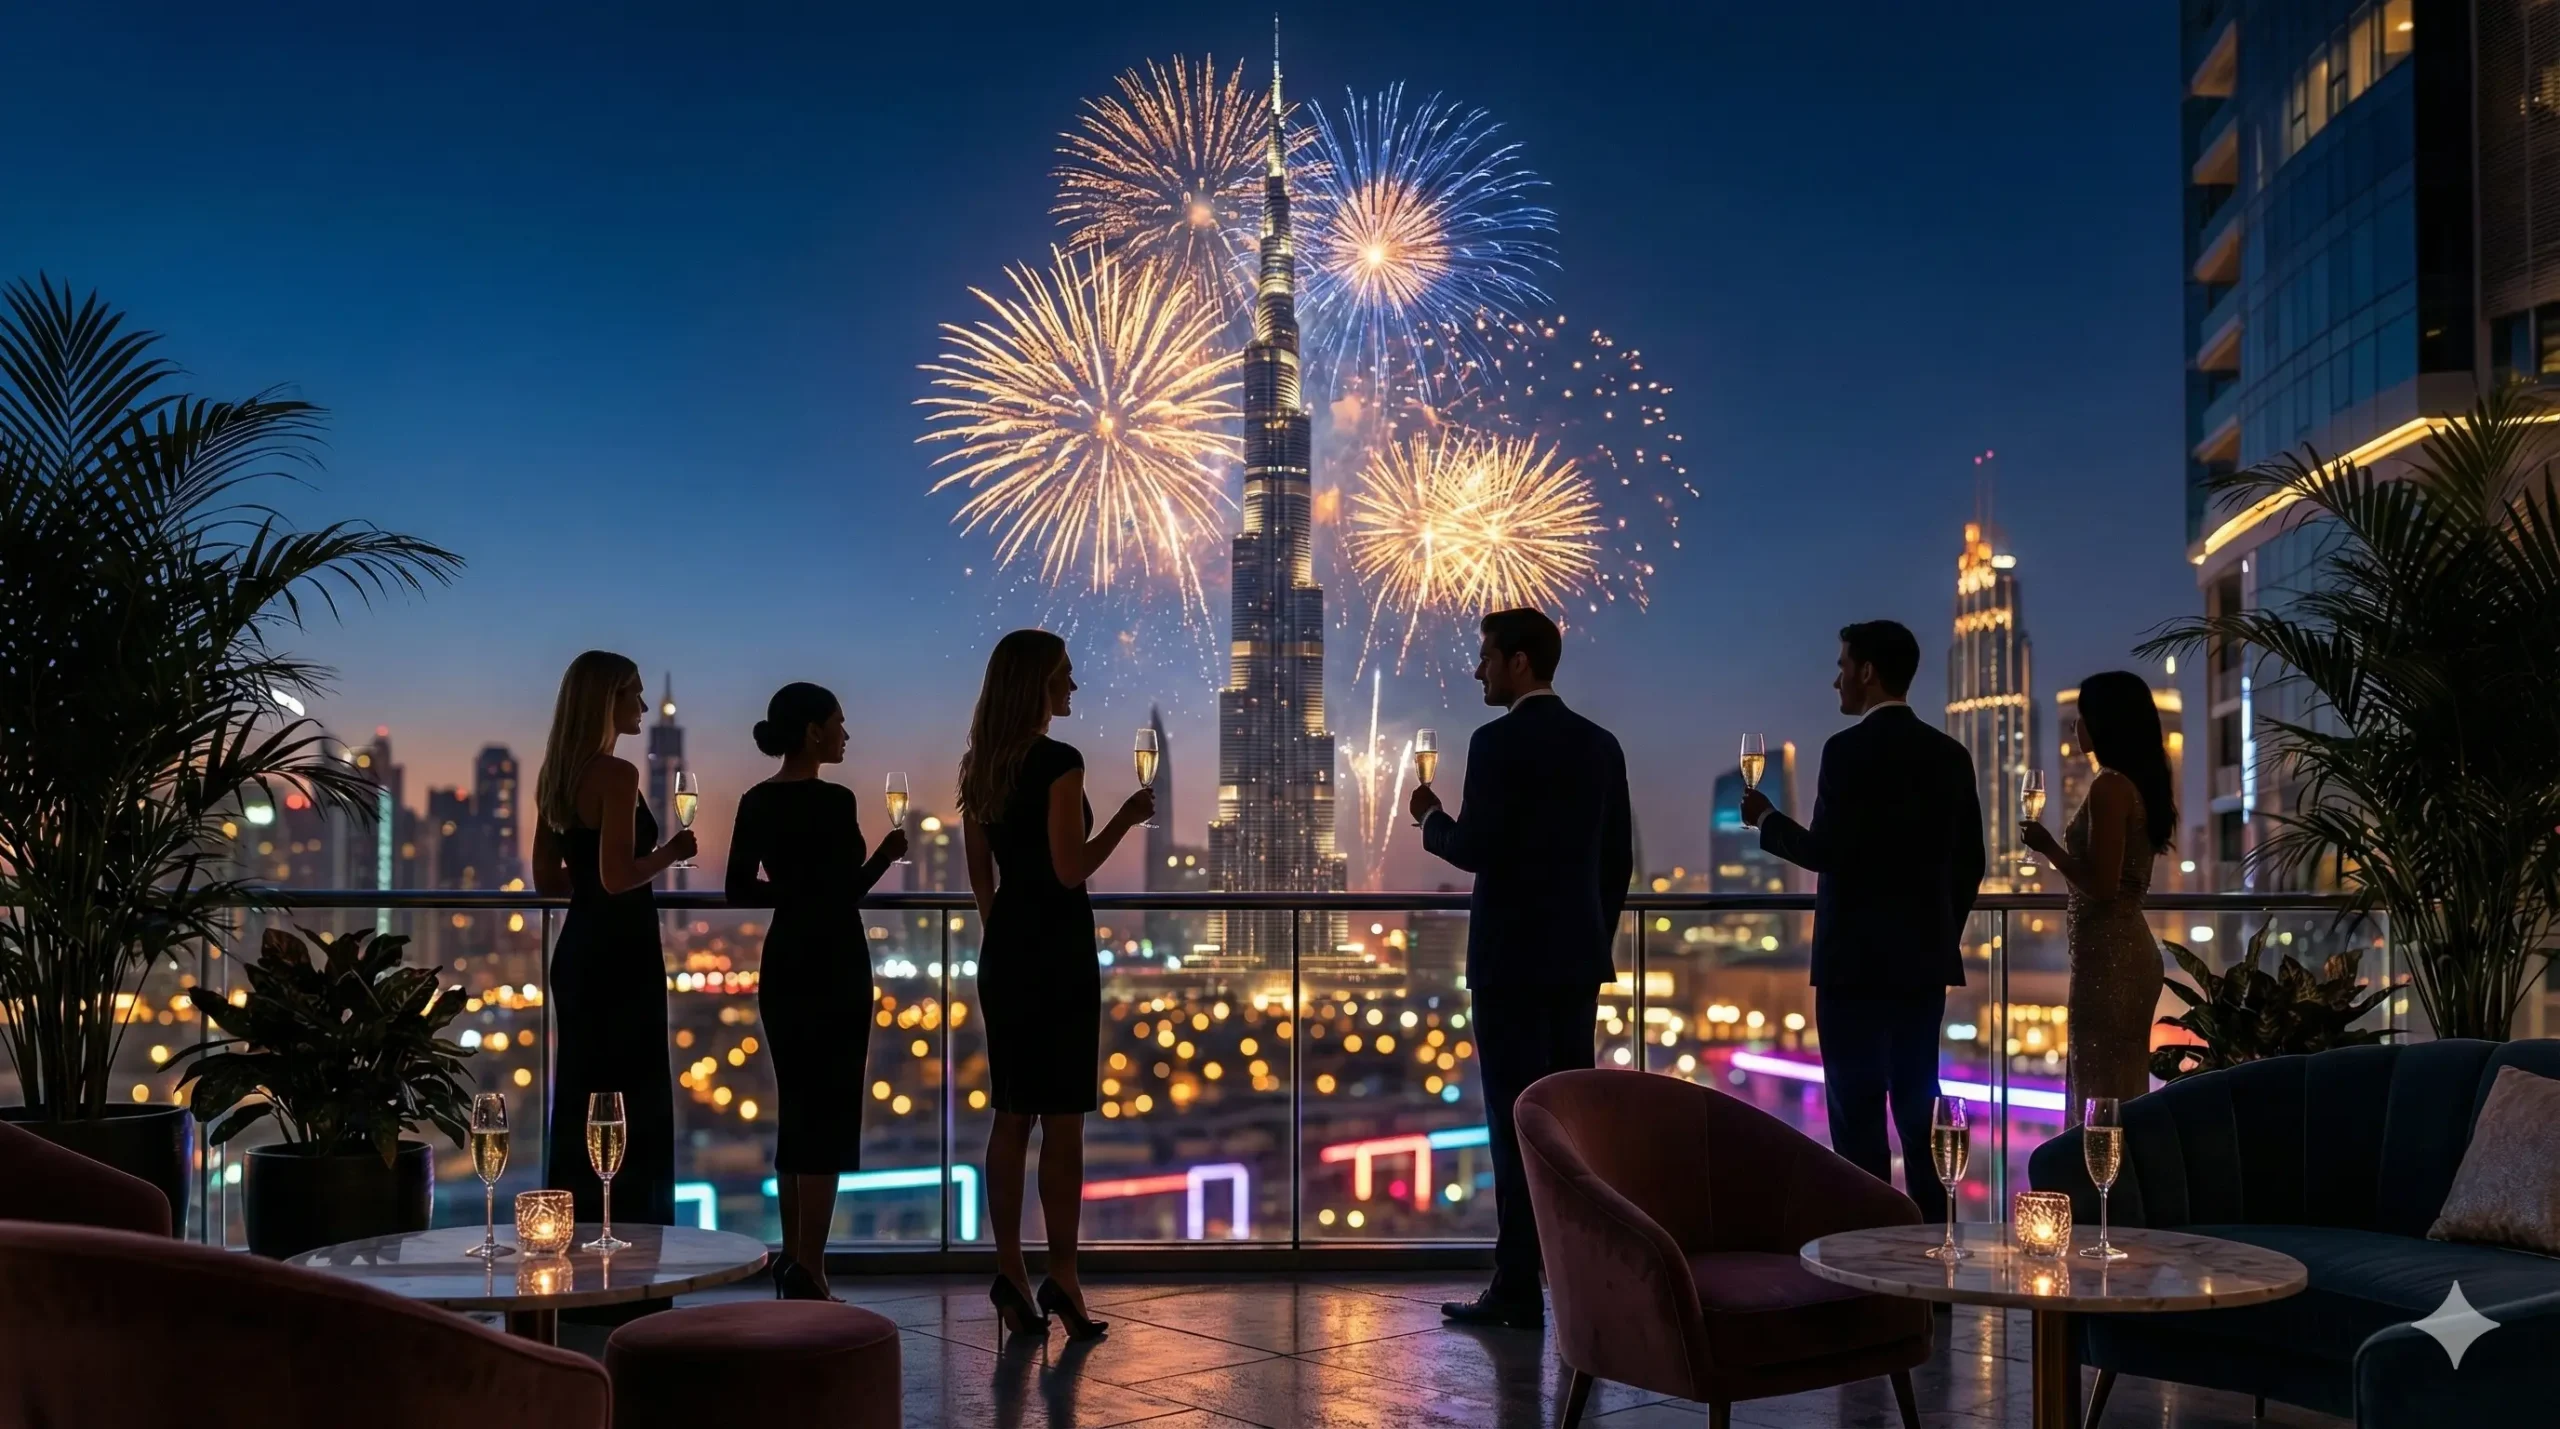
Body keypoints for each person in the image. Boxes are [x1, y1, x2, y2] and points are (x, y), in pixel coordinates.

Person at [1409, 608, 1633, 1330]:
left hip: (1507, 962)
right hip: (1575, 960)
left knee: (1514, 1122)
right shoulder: (1602, 745)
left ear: (1519, 661)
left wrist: (1428, 816)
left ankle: (1516, 1287)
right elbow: (1615, 861)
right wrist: (1592, 933)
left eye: (1486, 658)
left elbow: (1473, 846)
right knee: (1572, 1121)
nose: (1477, 670)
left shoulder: (1495, 742)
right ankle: (1581, 1273)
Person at [1741, 620, 1983, 1223]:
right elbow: (1971, 864)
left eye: (1843, 665)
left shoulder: (1845, 752)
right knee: (1918, 1108)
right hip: (1921, 966)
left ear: (1868, 672)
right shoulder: (1950, 756)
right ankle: (1935, 1254)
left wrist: (1767, 819)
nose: (1836, 679)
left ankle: (1868, 1258)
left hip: (1853, 966)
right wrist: (1936, 934)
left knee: (1856, 1118)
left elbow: (1827, 852)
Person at [959, 630, 1153, 1340]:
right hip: (1059, 947)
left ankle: (1009, 1272)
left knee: (1011, 1116)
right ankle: (1064, 1275)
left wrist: (999, 928)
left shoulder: (981, 765)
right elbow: (1071, 868)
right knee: (1063, 1120)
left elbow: (982, 873)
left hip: (1007, 945)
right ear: (1038, 684)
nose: (1072, 688)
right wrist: (1128, 820)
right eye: (1064, 678)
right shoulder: (1059, 761)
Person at [725, 682, 908, 1301]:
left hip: (786, 959)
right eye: (839, 722)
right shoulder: (837, 800)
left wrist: (795, 892)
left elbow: (737, 890)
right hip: (836, 960)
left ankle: (793, 1260)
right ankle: (813, 1269)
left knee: (796, 1106)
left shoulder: (755, 800)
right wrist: (883, 856)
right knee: (829, 1110)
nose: (846, 734)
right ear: (812, 732)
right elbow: (844, 893)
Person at [530, 651, 694, 1235]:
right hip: (621, 954)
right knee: (634, 1102)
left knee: (580, 1098)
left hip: (578, 951)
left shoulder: (558, 774)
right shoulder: (617, 775)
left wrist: (593, 884)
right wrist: (673, 852)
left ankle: (568, 1241)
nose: (644, 707)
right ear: (608, 700)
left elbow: (547, 879)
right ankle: (632, 1248)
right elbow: (618, 877)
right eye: (634, 695)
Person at [2021, 670, 2174, 1113]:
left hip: (2111, 962)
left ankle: (2105, 1182)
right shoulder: (2132, 783)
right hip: (2116, 955)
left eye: (2082, 715)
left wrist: (2048, 846)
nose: (2075, 726)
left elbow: (2103, 887)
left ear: (2106, 722)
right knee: (2116, 1090)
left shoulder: (2109, 787)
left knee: (2101, 1094)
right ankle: (2116, 1181)